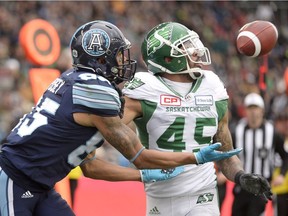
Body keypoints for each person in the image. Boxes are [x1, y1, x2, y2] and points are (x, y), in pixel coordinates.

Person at [0, 20, 242, 216]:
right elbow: (140, 156)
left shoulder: (76, 79)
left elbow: (91, 165)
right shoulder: (97, 91)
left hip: (39, 183)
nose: (124, 62)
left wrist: (142, 176)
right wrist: (195, 157)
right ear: (100, 58)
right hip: (15, 177)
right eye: (119, 55)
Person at [120, 22, 273, 216]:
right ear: (167, 57)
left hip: (203, 195)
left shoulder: (212, 86)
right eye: (185, 46)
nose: (195, 50)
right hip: (161, 197)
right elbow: (109, 128)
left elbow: (225, 153)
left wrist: (241, 176)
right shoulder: (145, 88)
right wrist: (137, 155)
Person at [231, 92, 288, 216]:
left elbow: (285, 156)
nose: (253, 112)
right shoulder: (237, 131)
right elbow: (228, 154)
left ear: (262, 110)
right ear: (245, 110)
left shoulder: (272, 132)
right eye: (250, 108)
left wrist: (282, 175)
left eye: (255, 108)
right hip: (242, 186)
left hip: (261, 186)